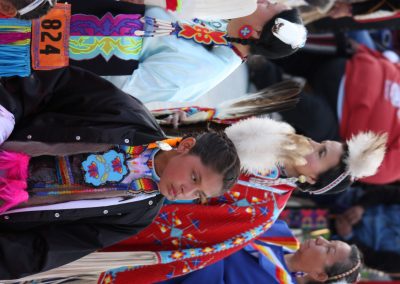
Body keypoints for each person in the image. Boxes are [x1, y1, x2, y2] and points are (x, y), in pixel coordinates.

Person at [11, 117, 385, 283]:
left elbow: (187, 235)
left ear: (311, 177)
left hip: (118, 202)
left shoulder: (263, 210)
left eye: (320, 152)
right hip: (129, 150)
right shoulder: (269, 137)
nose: (313, 143)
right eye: (323, 142)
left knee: (27, 201)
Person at [0, 65, 243, 280]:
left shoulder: (137, 214)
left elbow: (47, 248)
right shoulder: (128, 115)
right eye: (194, 177)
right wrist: (6, 114)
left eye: (198, 194)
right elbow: (55, 84)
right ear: (186, 146)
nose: (185, 192)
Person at [273, 43, 398, 185]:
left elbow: (370, 169)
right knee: (297, 43)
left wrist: (343, 152)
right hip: (348, 66)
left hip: (336, 120)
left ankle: (261, 71)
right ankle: (261, 42)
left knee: (315, 119)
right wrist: (365, 52)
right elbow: (392, 63)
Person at [158, 220, 362, 284]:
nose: (320, 239)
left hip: (170, 273)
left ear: (320, 275)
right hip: (171, 233)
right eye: (329, 240)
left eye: (328, 249)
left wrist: (215, 252)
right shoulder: (279, 229)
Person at [334, 184, 400, 274]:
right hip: (353, 201)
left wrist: (349, 237)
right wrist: (361, 207)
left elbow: (371, 260)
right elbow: (384, 192)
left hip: (341, 240)